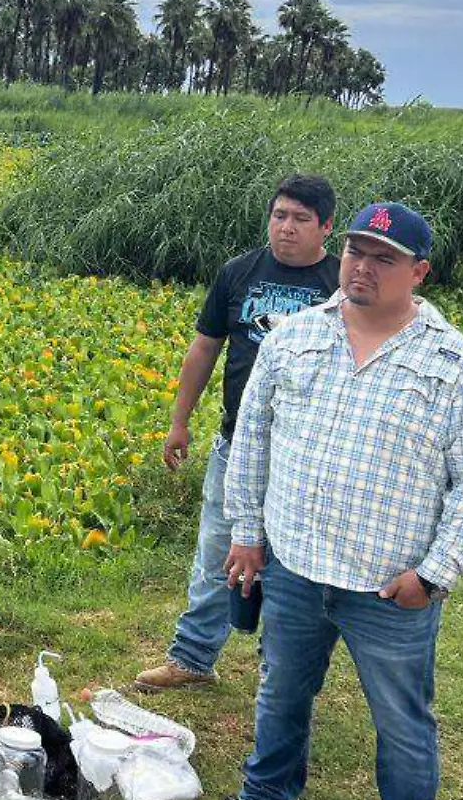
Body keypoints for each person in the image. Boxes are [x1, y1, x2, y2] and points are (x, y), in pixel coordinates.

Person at [201, 202, 463, 800]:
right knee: (280, 695)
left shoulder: (456, 366)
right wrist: (247, 534)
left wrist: (433, 574)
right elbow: (251, 437)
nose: (362, 267)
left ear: (418, 271)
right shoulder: (294, 337)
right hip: (294, 569)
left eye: (383, 259)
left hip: (388, 585)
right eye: (356, 252)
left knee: (401, 720)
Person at [135, 175, 340, 692]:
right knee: (216, 551)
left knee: (294, 566)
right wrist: (179, 421)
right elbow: (204, 348)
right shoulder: (239, 273)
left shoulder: (341, 286)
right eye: (279, 215)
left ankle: (282, 671)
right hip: (237, 442)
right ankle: (192, 659)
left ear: (326, 227)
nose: (286, 228)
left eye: (299, 219)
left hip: (307, 453)